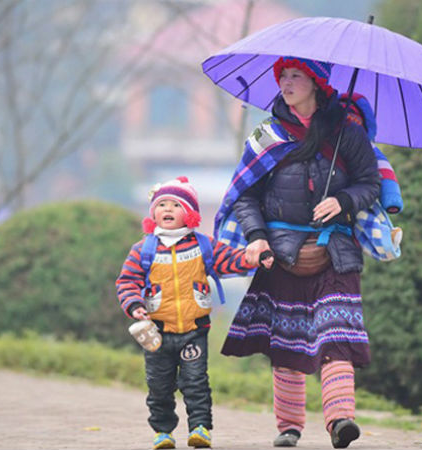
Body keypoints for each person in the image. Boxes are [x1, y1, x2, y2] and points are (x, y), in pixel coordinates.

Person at [216, 57, 381, 449]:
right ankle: (289, 426)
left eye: (295, 76)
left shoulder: (347, 133)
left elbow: (370, 183)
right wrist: (256, 236)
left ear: (317, 83)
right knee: (286, 343)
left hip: (335, 249)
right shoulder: (267, 135)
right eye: (283, 76)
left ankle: (340, 420)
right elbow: (245, 195)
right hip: (281, 253)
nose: (286, 84)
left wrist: (343, 200)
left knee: (336, 335)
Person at [115, 176, 272, 450]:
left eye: (176, 205)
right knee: (159, 386)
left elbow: (230, 260)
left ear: (189, 213)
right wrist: (134, 304)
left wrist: (252, 258)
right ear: (153, 213)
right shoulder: (143, 250)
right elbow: (127, 281)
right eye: (162, 204)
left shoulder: (203, 245)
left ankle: (200, 428)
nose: (167, 209)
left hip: (194, 330)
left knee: (196, 383)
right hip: (156, 333)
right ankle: (163, 431)